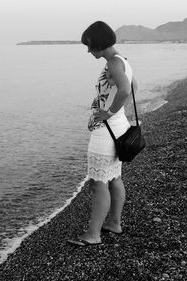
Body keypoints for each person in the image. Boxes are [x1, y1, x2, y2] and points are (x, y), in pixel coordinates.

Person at [67, 21, 138, 246]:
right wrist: (116, 111)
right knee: (114, 178)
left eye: (89, 45)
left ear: (98, 43)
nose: (88, 50)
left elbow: (127, 90)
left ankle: (93, 234)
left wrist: (109, 113)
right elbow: (134, 87)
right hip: (118, 127)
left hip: (107, 132)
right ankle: (114, 223)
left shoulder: (115, 64)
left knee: (98, 183)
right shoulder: (122, 62)